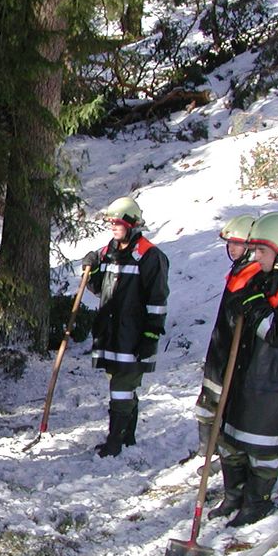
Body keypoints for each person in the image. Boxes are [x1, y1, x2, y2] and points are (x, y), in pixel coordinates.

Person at [214, 211, 278, 527]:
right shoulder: (263, 277)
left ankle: (257, 502)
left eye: (261, 250)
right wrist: (239, 304)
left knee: (263, 450)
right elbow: (240, 309)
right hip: (247, 375)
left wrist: (256, 307)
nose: (255, 256)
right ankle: (234, 495)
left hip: (276, 384)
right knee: (229, 439)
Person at [81, 196, 169, 457]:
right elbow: (101, 289)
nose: (113, 228)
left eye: (118, 223)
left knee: (122, 387)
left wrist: (150, 336)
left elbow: (157, 301)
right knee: (121, 384)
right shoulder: (109, 251)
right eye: (111, 223)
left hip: (133, 335)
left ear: (132, 224)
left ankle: (115, 441)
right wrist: (93, 270)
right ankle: (127, 434)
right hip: (111, 334)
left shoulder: (150, 256)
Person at [196, 215, 261, 467]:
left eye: (237, 243)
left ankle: (224, 455)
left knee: (224, 409)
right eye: (229, 243)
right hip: (220, 351)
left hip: (235, 357)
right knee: (206, 405)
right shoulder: (238, 272)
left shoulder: (254, 276)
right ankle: (208, 451)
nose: (231, 248)